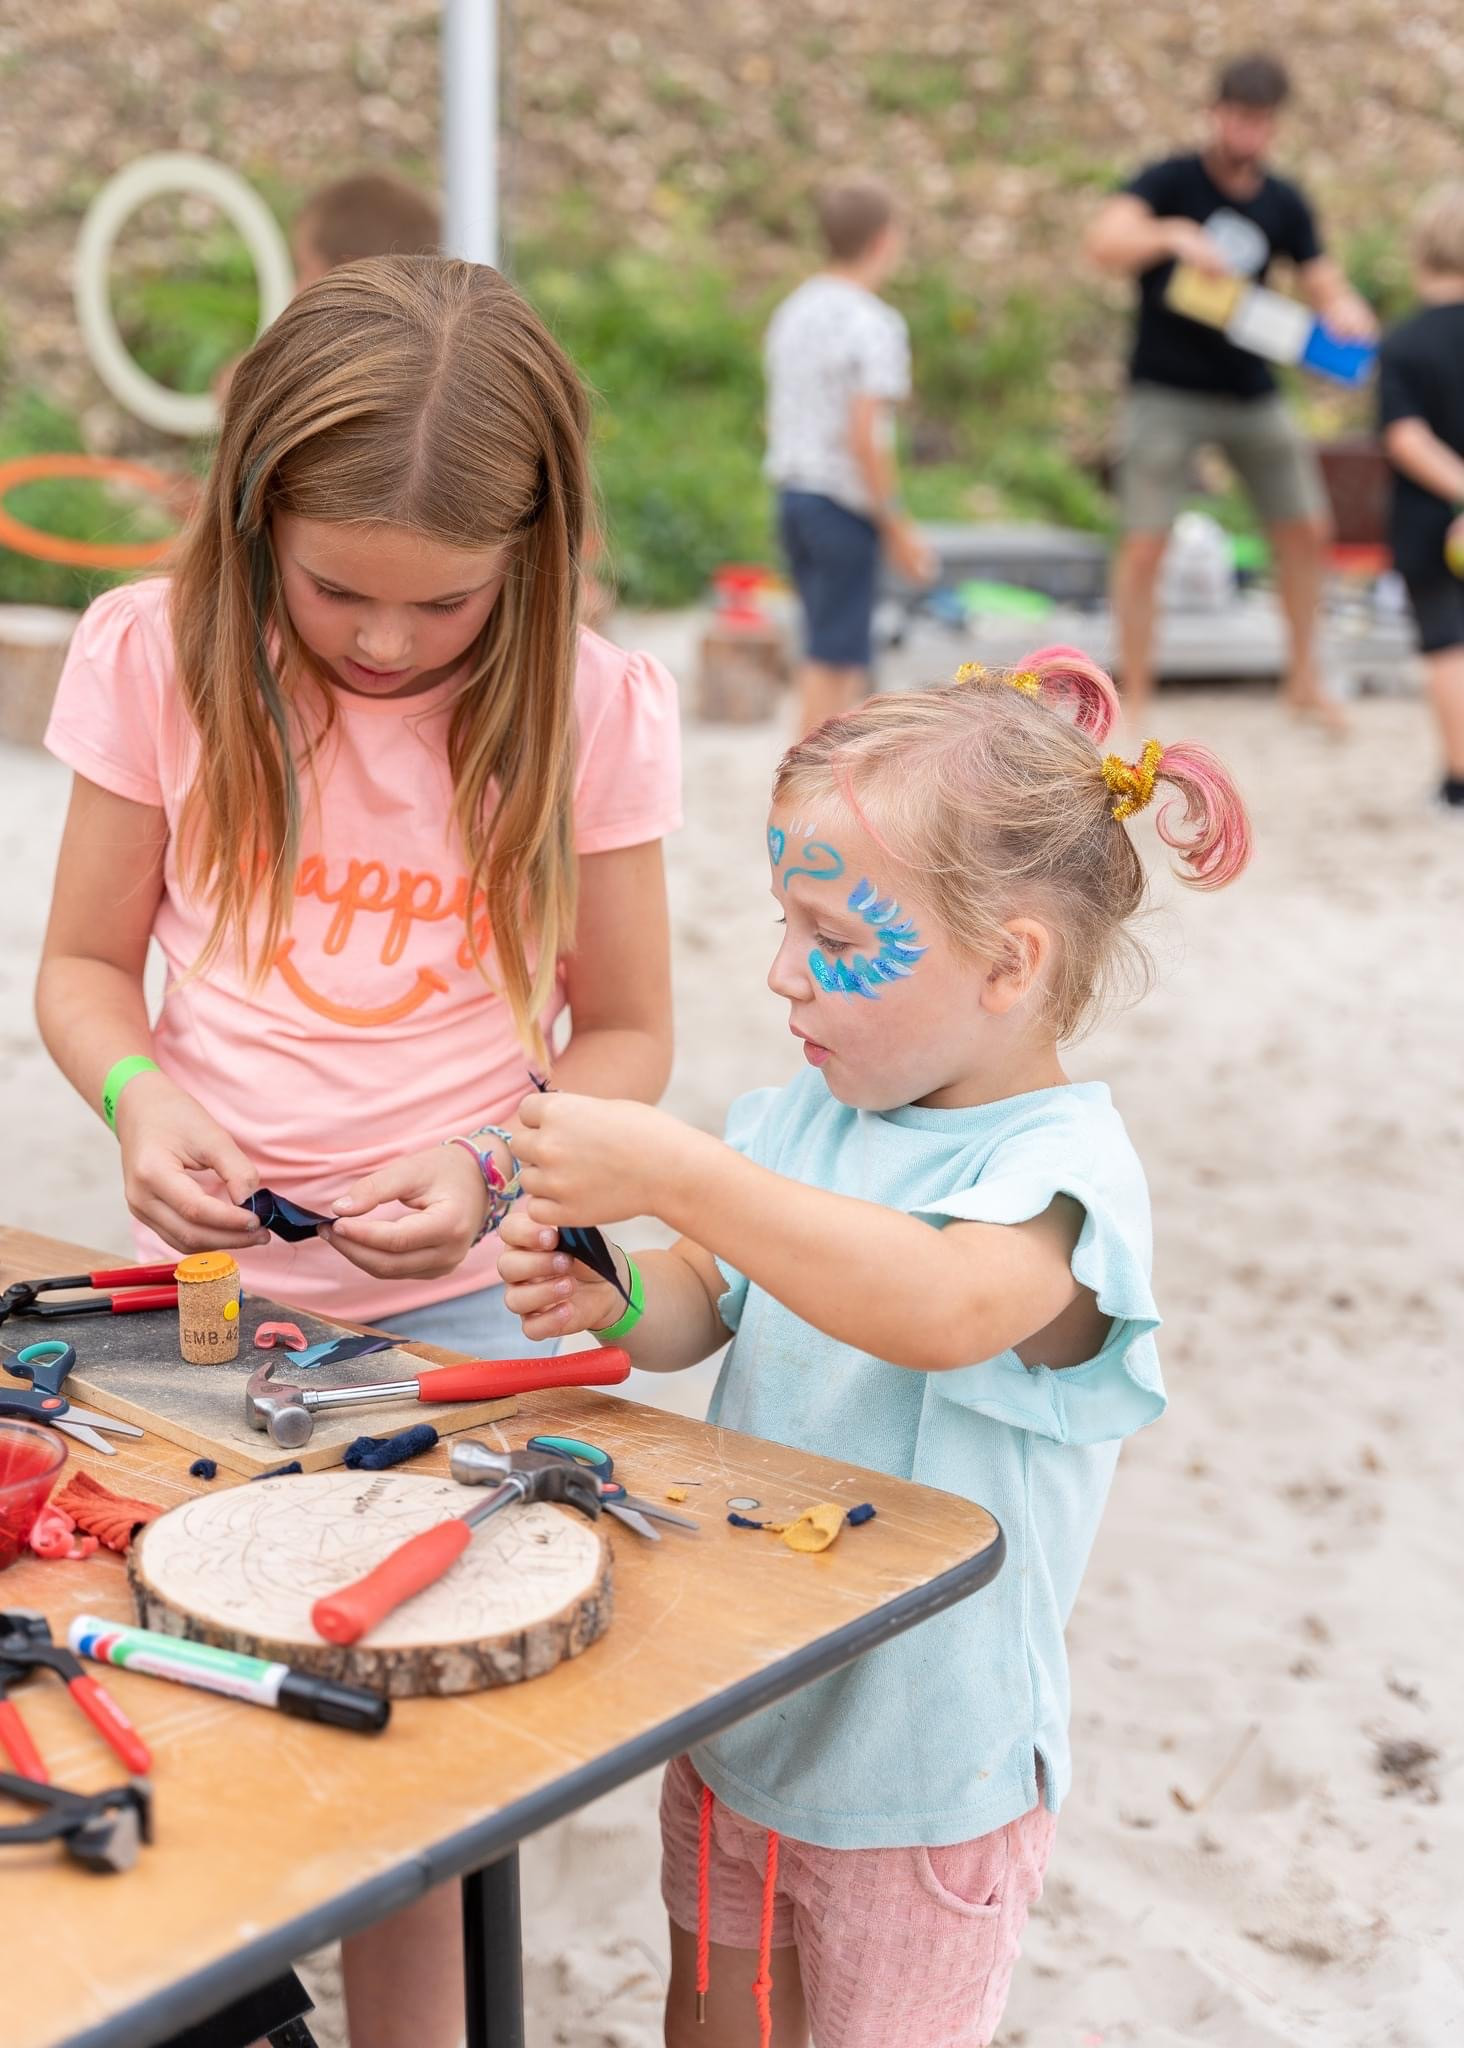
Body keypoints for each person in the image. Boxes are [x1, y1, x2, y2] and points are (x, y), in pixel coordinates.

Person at [35, 254, 680, 2048]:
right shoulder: (154, 655)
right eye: (337, 592)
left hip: (466, 1331)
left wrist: (489, 1166)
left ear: (532, 557)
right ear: (250, 519)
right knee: (201, 1681)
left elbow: (625, 1031)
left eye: (443, 604)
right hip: (202, 1317)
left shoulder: (590, 703)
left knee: (422, 1772)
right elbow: (86, 971)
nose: (386, 643)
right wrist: (135, 1096)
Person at [498, 648, 1251, 2048]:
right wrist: (610, 1291)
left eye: (836, 942)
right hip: (743, 1715)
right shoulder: (804, 1121)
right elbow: (698, 1302)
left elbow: (938, 1304)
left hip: (927, 1780)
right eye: (783, 924)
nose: (784, 976)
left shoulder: (1058, 1169)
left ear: (1009, 964)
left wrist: (674, 1169)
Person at [1086, 52, 1377, 730]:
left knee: (1307, 528)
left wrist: (1346, 311)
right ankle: (1135, 696)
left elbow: (1322, 280)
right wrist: (1170, 237)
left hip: (1251, 388)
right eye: (1240, 119)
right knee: (1143, 542)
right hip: (1165, 388)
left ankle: (1304, 680)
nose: (1249, 135)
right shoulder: (1169, 181)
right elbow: (1102, 242)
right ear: (1215, 114)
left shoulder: (1284, 200)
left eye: (1262, 123)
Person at [764, 176, 936, 735]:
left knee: (823, 643)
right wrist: (898, 526)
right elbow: (866, 436)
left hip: (793, 495)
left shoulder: (792, 312)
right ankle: (802, 789)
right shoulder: (875, 323)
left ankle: (818, 784)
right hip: (841, 503)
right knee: (835, 661)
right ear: (885, 241)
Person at [1377, 181, 1464, 812]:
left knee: (1445, 645)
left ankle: (1459, 781)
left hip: (1430, 521)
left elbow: (1405, 438)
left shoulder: (1403, 344)